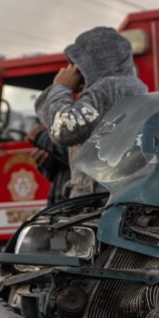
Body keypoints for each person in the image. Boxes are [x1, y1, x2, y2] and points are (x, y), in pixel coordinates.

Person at [34, 26, 147, 198]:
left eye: (74, 64)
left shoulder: (108, 88)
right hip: (115, 192)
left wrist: (60, 87)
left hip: (99, 198)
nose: (70, 69)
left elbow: (63, 129)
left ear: (89, 64)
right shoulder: (131, 86)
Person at [25, 123, 70, 206]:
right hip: (62, 206)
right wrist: (51, 163)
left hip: (84, 206)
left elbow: (77, 151)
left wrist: (41, 137)